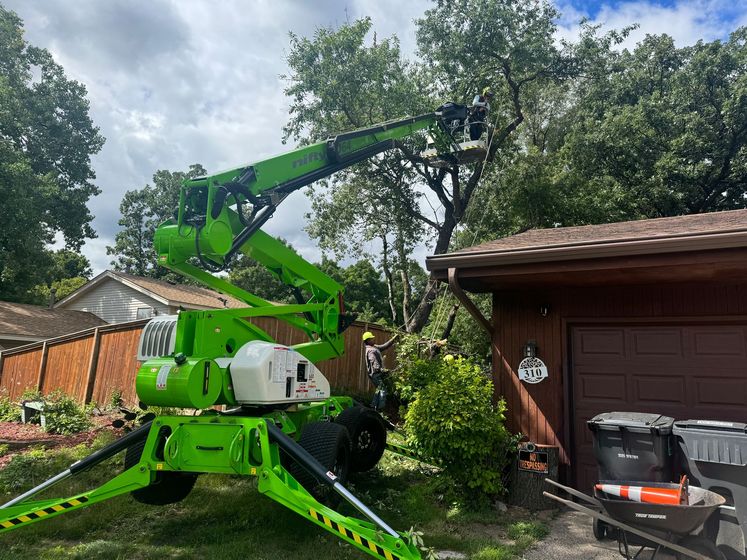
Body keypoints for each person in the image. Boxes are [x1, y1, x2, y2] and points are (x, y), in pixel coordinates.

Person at [362, 331, 395, 411]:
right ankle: (381, 409)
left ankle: (373, 406)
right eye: (372, 339)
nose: (374, 339)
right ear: (368, 340)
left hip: (376, 374)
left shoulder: (374, 347)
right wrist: (381, 369)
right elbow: (373, 361)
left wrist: (393, 339)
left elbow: (384, 346)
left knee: (379, 389)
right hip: (375, 374)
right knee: (383, 390)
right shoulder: (370, 351)